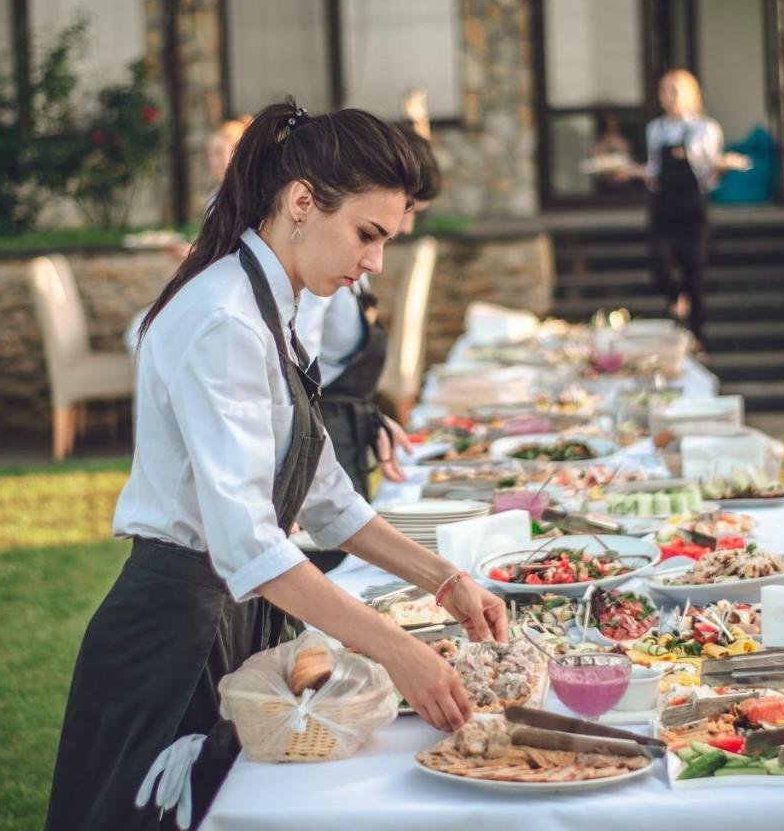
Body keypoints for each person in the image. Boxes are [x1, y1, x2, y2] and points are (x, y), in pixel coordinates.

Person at [45, 100, 507, 831]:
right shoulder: (227, 319)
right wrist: (395, 652)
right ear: (300, 202)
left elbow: (324, 494)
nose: (373, 262)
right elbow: (250, 545)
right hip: (171, 640)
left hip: (228, 617)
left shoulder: (272, 307)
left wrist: (444, 580)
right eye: (366, 234)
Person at [293, 126, 440, 573]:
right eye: (409, 209)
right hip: (321, 436)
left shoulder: (345, 256)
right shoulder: (317, 268)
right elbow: (302, 367)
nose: (407, 225)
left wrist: (369, 414)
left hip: (340, 433)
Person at [643, 69, 726, 333]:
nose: (668, 97)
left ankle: (698, 335)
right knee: (659, 262)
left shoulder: (705, 128)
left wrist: (716, 168)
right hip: (663, 204)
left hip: (691, 205)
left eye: (674, 91)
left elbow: (708, 174)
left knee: (694, 270)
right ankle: (676, 297)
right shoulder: (655, 129)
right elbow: (654, 170)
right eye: (663, 91)